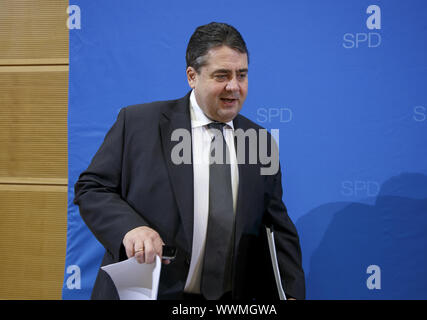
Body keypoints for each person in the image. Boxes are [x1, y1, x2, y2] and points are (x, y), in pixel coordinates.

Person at [74, 22, 305, 300]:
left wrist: (289, 293)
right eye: (222, 75)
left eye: (241, 75)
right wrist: (130, 228)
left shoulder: (259, 140)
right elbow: (92, 188)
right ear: (192, 76)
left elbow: (275, 225)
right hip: (145, 293)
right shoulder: (139, 124)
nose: (234, 86)